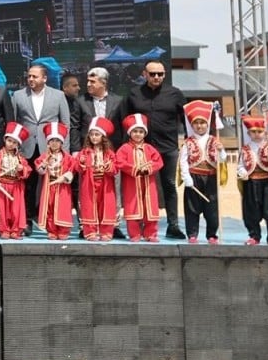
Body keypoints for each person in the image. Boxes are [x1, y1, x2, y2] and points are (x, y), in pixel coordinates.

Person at [122, 61, 187, 240]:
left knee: (169, 186)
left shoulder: (175, 94)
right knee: (139, 188)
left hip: (168, 148)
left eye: (160, 74)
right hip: (140, 150)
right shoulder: (134, 94)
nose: (156, 77)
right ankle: (140, 225)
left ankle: (173, 224)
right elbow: (125, 119)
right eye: (152, 74)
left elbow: (187, 119)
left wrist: (190, 141)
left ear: (164, 74)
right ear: (145, 74)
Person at [10, 64, 71, 230]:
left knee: (51, 185)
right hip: (26, 147)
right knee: (27, 184)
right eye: (29, 76)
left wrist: (64, 151)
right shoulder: (17, 95)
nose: (30, 79)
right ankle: (27, 220)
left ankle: (50, 220)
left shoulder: (58, 96)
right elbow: (14, 123)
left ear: (44, 78)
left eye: (34, 76)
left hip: (51, 148)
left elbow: (65, 124)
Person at [179, 100, 226, 244]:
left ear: (207, 124)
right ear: (192, 125)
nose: (199, 126)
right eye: (196, 123)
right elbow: (183, 160)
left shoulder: (214, 140)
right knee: (192, 208)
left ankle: (212, 235)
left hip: (210, 178)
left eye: (202, 123)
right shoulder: (188, 142)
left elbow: (222, 160)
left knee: (212, 208)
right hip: (194, 177)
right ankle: (192, 234)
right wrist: (186, 177)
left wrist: (221, 150)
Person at [237, 114, 268, 246]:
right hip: (251, 182)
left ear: (264, 131)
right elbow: (240, 165)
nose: (257, 134)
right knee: (251, 211)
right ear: (248, 133)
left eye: (259, 131)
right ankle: (254, 235)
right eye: (253, 132)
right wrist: (242, 172)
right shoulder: (245, 148)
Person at [116, 114, 164, 242]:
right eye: (135, 131)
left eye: (141, 131)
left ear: (145, 133)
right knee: (133, 206)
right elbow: (119, 162)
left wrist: (148, 168)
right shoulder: (124, 148)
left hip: (148, 183)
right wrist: (135, 169)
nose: (138, 134)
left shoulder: (150, 148)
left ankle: (151, 234)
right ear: (130, 133)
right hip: (132, 183)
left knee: (150, 207)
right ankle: (135, 234)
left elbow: (158, 161)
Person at [75, 117, 118, 241]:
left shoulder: (109, 153)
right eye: (92, 134)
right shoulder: (84, 152)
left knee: (106, 206)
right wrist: (81, 163)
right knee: (89, 207)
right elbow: (77, 167)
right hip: (89, 183)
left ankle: (106, 232)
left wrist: (108, 166)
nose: (94, 137)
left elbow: (115, 168)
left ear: (103, 137)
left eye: (97, 134)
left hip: (105, 184)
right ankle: (90, 232)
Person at [0, 124, 33, 239]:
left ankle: (15, 230)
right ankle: (4, 230)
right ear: (5, 140)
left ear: (17, 144)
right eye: (9, 141)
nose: (11, 144)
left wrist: (21, 169)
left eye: (14, 142)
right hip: (2, 186)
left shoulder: (20, 158)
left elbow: (27, 170)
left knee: (15, 210)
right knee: (2, 210)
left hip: (16, 187)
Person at [35, 122, 75, 240]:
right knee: (49, 208)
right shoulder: (44, 156)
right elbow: (39, 169)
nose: (54, 143)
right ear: (48, 143)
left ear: (61, 143)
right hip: (49, 186)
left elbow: (72, 170)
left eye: (57, 141)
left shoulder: (68, 157)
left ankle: (63, 230)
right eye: (52, 141)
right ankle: (51, 230)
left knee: (63, 208)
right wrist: (44, 164)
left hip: (62, 186)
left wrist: (65, 177)